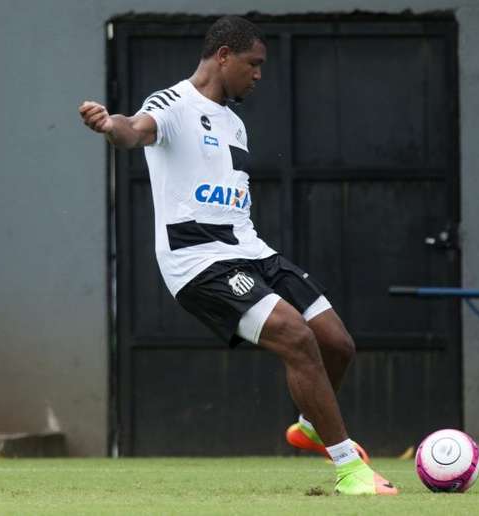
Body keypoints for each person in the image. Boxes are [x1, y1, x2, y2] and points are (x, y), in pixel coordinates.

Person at [79, 15, 396, 496]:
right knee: (295, 336)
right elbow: (133, 130)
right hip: (198, 260)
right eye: (254, 63)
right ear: (223, 56)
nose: (259, 74)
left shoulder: (235, 123)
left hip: (250, 249)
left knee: (337, 343)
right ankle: (350, 470)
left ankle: (311, 425)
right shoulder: (172, 102)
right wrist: (109, 125)